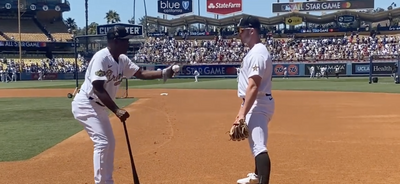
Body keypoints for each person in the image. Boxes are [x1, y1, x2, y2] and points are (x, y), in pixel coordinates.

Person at [71, 26, 177, 184]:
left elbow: (140, 73)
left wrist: (163, 73)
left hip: (98, 106)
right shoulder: (101, 58)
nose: (128, 43)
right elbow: (98, 88)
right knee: (102, 142)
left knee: (110, 143)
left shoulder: (122, 59)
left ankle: (108, 180)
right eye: (125, 40)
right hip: (86, 103)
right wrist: (116, 110)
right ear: (115, 41)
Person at [235, 16, 275, 184]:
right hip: (255, 102)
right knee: (257, 143)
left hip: (258, 103)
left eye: (241, 31)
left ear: (251, 31)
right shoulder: (254, 52)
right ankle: (257, 176)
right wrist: (240, 112)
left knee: (258, 146)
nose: (239, 34)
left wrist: (242, 114)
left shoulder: (258, 53)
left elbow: (253, 86)